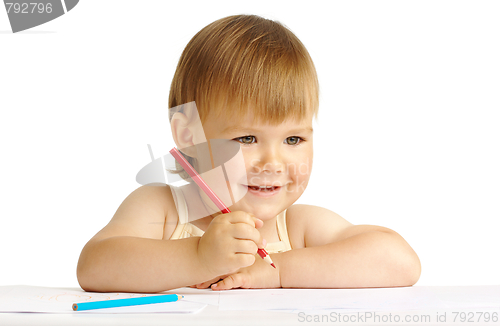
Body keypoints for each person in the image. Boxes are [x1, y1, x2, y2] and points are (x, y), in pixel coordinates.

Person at [76, 14, 421, 293]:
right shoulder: (163, 210)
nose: (272, 163)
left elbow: (400, 262)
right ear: (189, 135)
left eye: (293, 140)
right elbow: (94, 267)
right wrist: (198, 256)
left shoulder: (298, 228)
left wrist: (278, 271)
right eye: (246, 138)